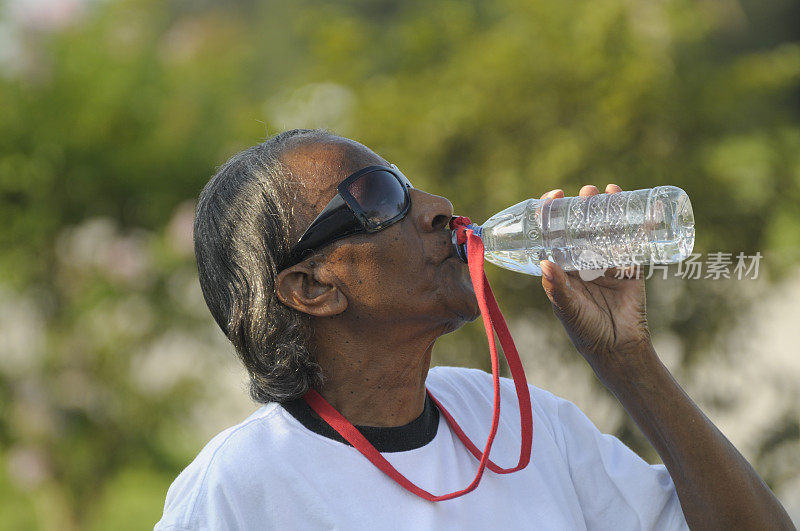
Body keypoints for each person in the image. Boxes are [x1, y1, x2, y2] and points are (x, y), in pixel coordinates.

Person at [156, 129, 793, 530]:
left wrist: (628, 359)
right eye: (379, 198)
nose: (437, 208)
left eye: (413, 186)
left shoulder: (527, 425)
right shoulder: (240, 490)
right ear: (311, 288)